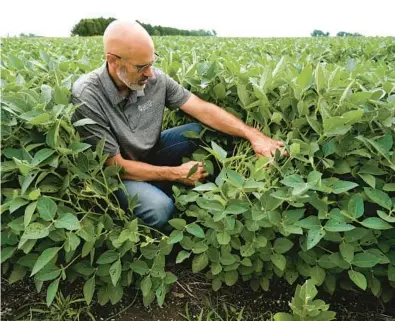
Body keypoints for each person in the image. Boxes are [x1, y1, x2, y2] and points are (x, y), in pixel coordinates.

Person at [71, 20, 286, 229]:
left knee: (201, 133)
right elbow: (115, 166)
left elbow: (202, 109)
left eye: (151, 63)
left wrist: (253, 136)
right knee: (160, 209)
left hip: (150, 152)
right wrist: (176, 173)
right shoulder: (87, 95)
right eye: (140, 67)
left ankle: (170, 186)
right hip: (118, 174)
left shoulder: (155, 79)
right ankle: (144, 208)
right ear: (112, 60)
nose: (149, 73)